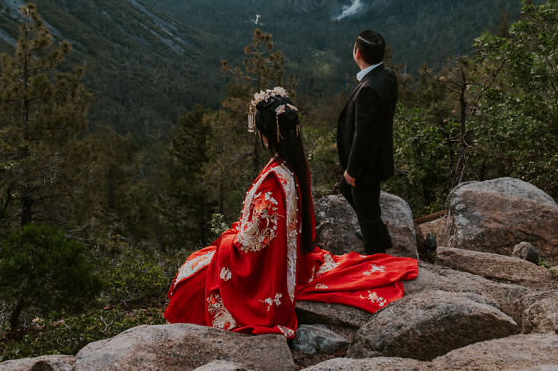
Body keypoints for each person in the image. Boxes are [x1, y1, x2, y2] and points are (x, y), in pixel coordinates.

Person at [164, 87, 417, 338]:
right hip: (285, 252)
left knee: (192, 284)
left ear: (267, 134)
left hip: (263, 265)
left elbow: (253, 245)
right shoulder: (293, 164)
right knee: (198, 265)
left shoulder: (273, 183)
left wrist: (228, 241)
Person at [337, 30, 397, 255]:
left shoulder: (368, 89)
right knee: (348, 190)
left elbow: (363, 136)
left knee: (366, 207)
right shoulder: (387, 75)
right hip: (378, 155)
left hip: (367, 163)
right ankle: (378, 233)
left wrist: (353, 170)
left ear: (358, 53)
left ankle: (376, 251)